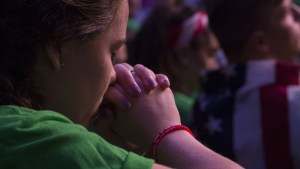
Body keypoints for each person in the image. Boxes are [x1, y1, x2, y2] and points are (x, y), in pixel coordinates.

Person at [0, 0, 243, 169]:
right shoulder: (35, 137)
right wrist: (168, 134)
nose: (116, 74)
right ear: (57, 47)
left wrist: (113, 149)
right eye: (113, 53)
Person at [191, 0, 300, 169]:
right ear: (260, 43)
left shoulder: (202, 105)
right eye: (285, 12)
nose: (298, 12)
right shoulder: (293, 104)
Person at [129, 1, 222, 125]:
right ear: (184, 54)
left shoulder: (193, 99)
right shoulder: (188, 110)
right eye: (211, 54)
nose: (217, 65)